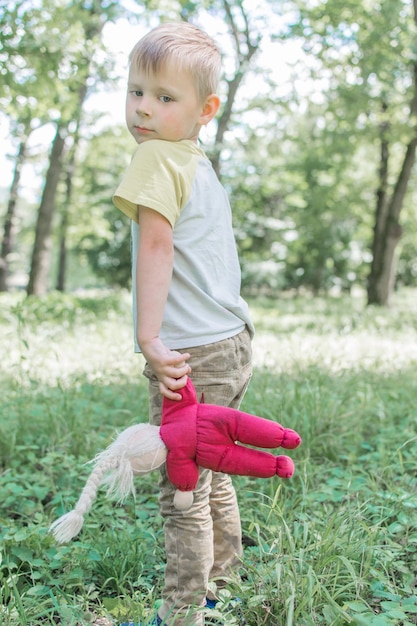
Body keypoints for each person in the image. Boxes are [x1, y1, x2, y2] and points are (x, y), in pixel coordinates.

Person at [113, 21, 254, 626]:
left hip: (189, 352)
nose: (144, 109)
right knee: (211, 468)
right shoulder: (196, 162)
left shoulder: (157, 158)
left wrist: (150, 338)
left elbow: (156, 248)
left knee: (183, 486)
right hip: (231, 341)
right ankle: (223, 583)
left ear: (205, 110)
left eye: (165, 98)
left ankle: (182, 611)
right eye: (136, 91)